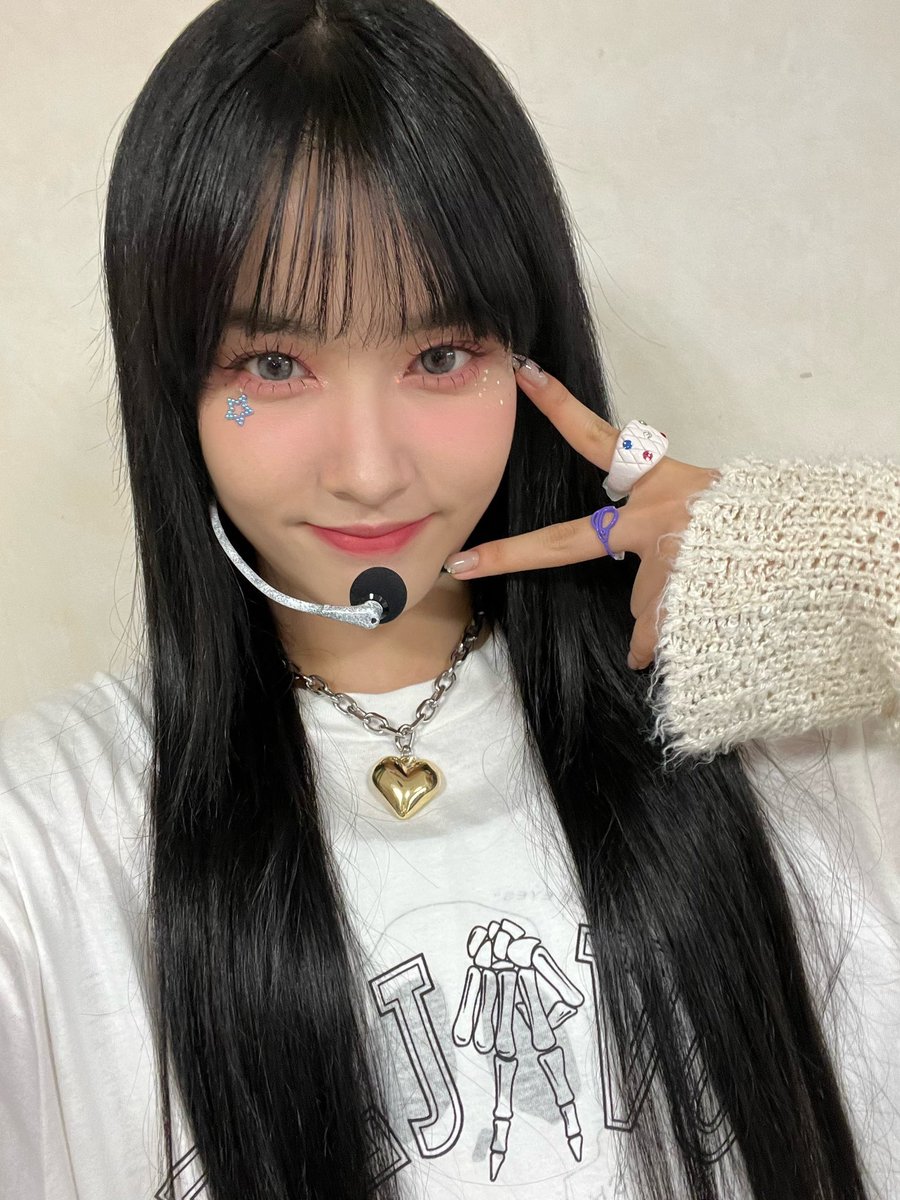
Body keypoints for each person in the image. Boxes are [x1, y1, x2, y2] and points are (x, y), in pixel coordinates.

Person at [0, 1, 897, 1198]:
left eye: (438, 357)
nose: (370, 468)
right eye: (275, 364)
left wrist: (846, 560)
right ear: (176, 385)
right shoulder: (53, 834)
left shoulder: (774, 720)